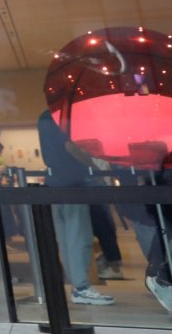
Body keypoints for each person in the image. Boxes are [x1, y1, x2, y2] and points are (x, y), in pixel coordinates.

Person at [37, 110, 114, 307]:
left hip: (54, 180)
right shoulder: (61, 117)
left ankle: (77, 284)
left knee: (65, 237)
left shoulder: (44, 117)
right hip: (72, 181)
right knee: (79, 235)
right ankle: (81, 287)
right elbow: (71, 146)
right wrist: (93, 165)